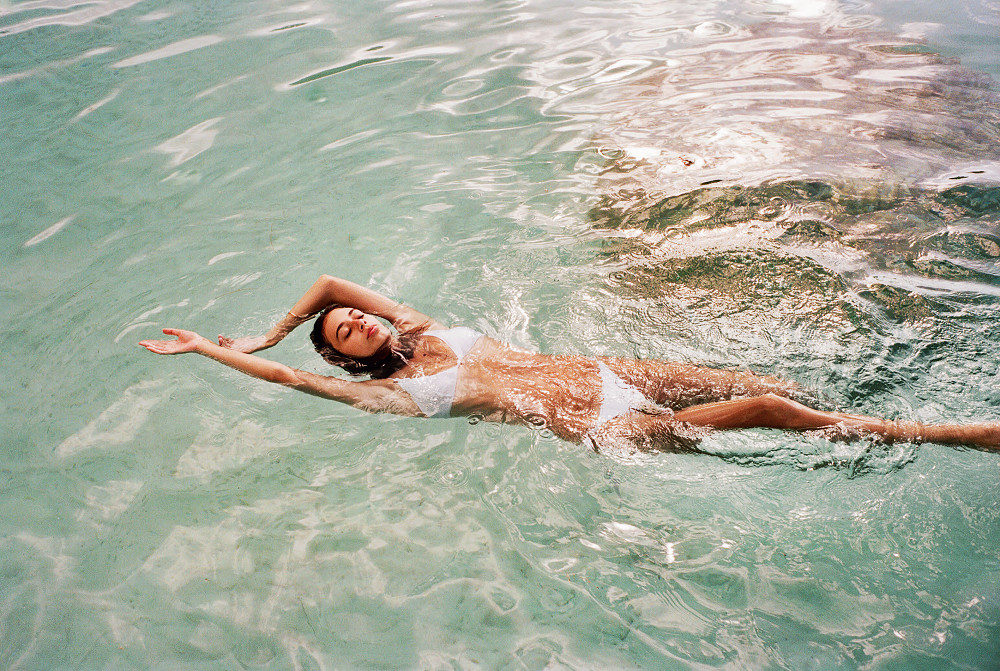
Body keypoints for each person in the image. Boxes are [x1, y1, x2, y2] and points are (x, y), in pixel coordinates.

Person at [139, 274, 1000, 453]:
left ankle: (880, 414)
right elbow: (295, 380)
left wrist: (275, 326)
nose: (356, 316)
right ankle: (960, 435)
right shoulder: (400, 398)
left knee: (773, 385)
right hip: (604, 425)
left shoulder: (425, 328)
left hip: (617, 369)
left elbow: (329, 280)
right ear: (346, 356)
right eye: (345, 331)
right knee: (774, 413)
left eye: (358, 315)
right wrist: (218, 350)